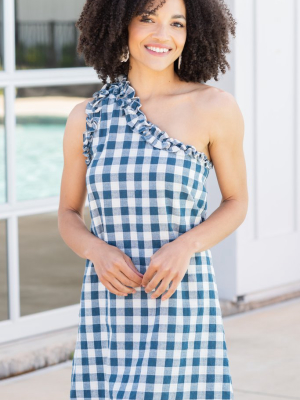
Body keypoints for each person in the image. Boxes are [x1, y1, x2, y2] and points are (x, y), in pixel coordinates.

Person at [58, 0, 248, 398]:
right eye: (148, 19)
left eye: (176, 23)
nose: (163, 35)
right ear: (118, 25)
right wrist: (96, 251)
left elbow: (236, 201)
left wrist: (186, 246)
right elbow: (68, 213)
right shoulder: (87, 116)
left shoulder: (214, 107)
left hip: (180, 298)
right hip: (109, 303)